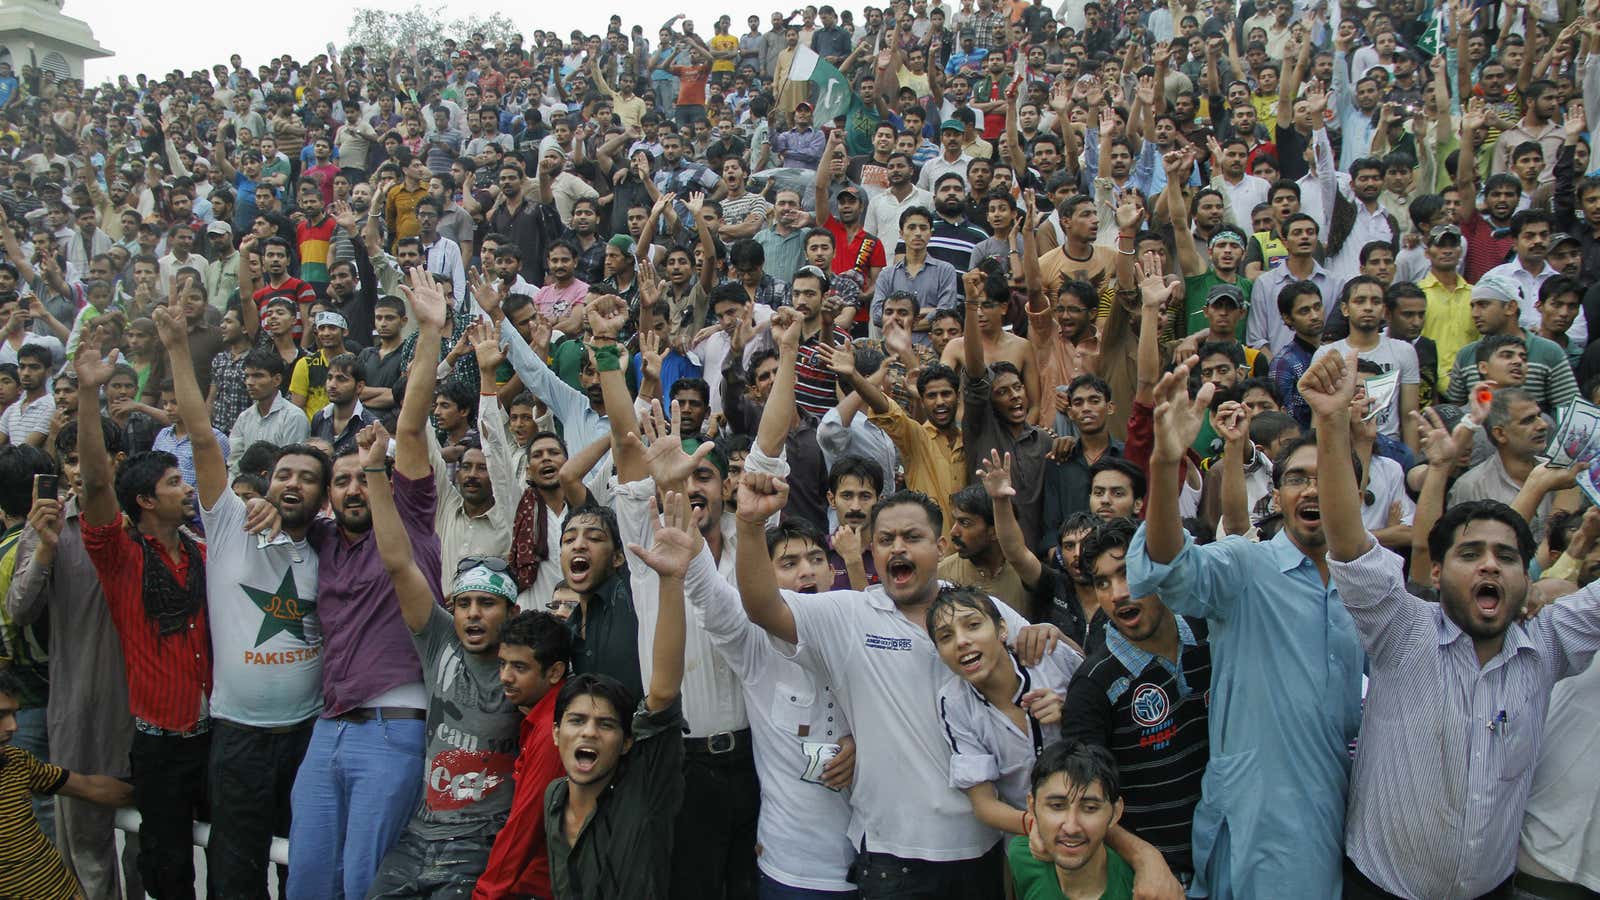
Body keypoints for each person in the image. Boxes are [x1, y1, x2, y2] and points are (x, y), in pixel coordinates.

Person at [1303, 348, 1600, 899]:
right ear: (1436, 573)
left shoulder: (1550, 643)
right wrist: (1329, 422)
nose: (1490, 564)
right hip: (1380, 888)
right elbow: (1348, 541)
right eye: (1472, 554)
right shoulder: (1402, 628)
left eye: (1507, 558)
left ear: (1525, 579)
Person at [1129, 283, 1363, 897]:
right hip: (1261, 824)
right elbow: (1166, 566)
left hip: (1356, 823)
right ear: (1278, 497)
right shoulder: (1246, 567)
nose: (1311, 492)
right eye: (1295, 480)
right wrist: (1162, 463)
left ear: (1354, 497)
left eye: (1325, 479)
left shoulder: (1376, 592)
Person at [155, 290, 326, 897]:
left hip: (309, 736)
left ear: (321, 497)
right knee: (234, 873)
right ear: (266, 480)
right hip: (237, 735)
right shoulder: (228, 519)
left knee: (301, 869)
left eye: (307, 478)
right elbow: (204, 438)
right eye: (283, 473)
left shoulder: (332, 545)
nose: (292, 484)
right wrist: (177, 347)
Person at [359, 412, 521, 896]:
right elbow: (397, 561)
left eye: (487, 605)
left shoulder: (528, 667)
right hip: (419, 834)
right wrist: (373, 472)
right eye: (464, 603)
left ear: (510, 613)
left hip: (482, 842)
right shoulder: (439, 639)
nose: (472, 615)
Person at [543, 488, 692, 898]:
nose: (578, 543)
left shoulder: (633, 594)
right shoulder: (568, 628)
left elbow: (662, 689)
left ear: (618, 557)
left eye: (593, 537)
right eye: (569, 537)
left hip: (649, 769)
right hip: (594, 777)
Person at [1060, 517, 1211, 883]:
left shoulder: (1210, 635)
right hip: (1162, 878)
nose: (1117, 594)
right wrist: (1144, 859)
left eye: (1128, 573)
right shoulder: (1093, 686)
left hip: (1235, 853)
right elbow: (1086, 799)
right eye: (1102, 582)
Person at [0, 668, 135, 900]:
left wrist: (159, 796)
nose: (13, 726)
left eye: (14, 714)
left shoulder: (17, 761)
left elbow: (90, 787)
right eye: (1, 715)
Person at [473, 610, 573, 900]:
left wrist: (484, 895)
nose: (505, 677)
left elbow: (525, 825)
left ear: (554, 672)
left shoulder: (551, 730)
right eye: (502, 664)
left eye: (519, 667)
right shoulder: (540, 717)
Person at [1010, 740, 1136, 900]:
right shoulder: (1022, 858)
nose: (1071, 827)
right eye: (1057, 806)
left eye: (1090, 808)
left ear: (1116, 812)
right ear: (1032, 806)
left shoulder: (1138, 887)